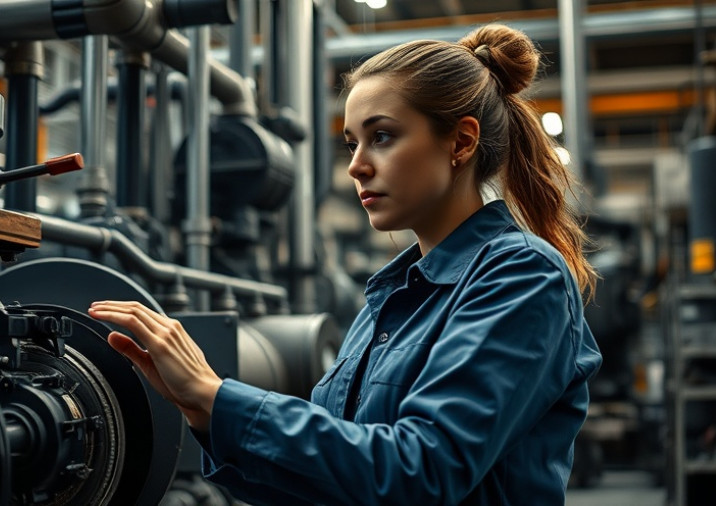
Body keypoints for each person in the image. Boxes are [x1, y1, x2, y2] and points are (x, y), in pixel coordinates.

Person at [89, 23, 602, 505]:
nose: (356, 165)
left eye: (382, 136)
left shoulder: (521, 276)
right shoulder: (392, 294)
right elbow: (332, 479)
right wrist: (202, 412)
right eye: (353, 142)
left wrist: (218, 395)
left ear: (461, 142)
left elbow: (423, 472)